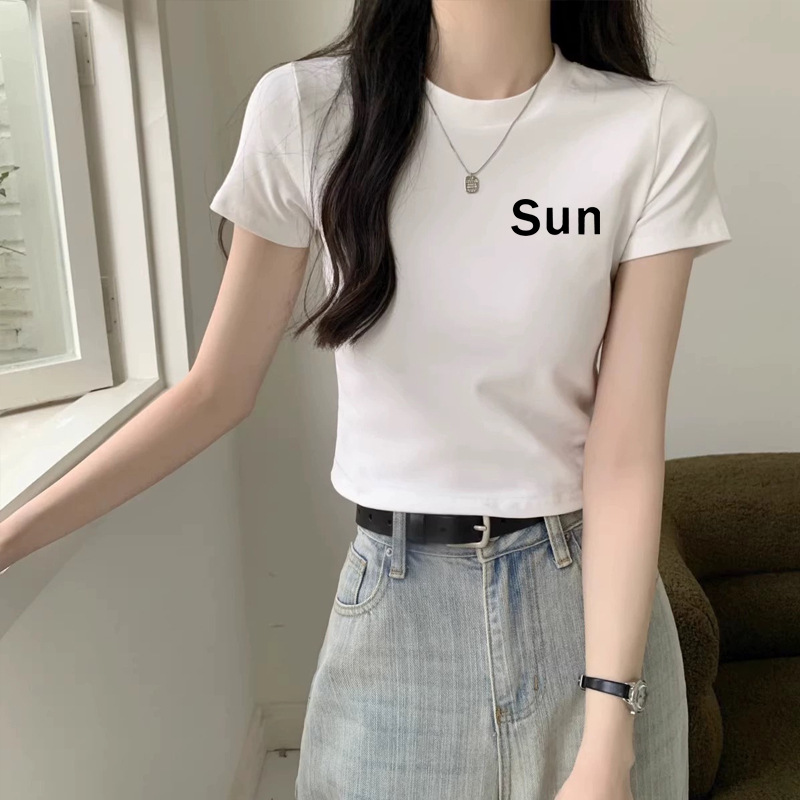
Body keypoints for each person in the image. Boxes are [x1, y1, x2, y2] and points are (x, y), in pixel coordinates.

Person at [0, 1, 733, 798]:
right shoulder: (307, 110)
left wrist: (609, 731)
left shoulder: (652, 129)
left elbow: (624, 452)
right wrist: (14, 535)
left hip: (590, 620)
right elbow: (215, 391)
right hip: (398, 613)